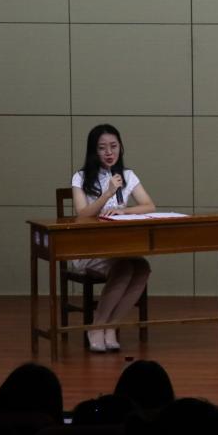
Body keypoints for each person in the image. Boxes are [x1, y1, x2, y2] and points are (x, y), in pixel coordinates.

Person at [71, 124, 156, 352]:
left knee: (142, 267)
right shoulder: (80, 178)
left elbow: (149, 205)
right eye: (102, 148)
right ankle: (96, 327)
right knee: (125, 268)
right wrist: (107, 193)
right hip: (89, 248)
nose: (109, 152)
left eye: (114, 146)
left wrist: (124, 211)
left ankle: (111, 326)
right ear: (93, 151)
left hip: (118, 247)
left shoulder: (127, 175)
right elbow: (82, 215)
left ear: (120, 147)